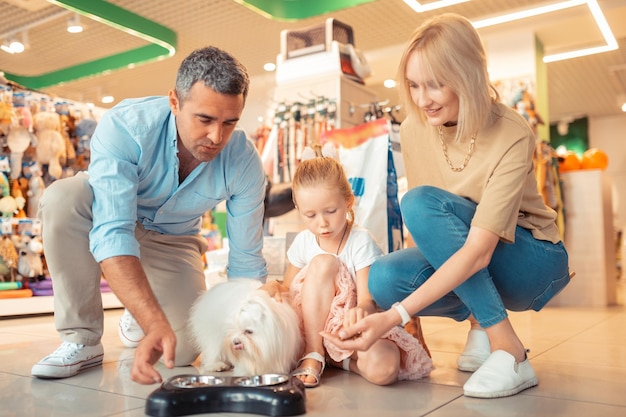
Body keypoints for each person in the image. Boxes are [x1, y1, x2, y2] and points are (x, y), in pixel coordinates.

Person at [322, 13, 571, 399]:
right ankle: (479, 324)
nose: (422, 99)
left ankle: (509, 349)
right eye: (414, 85)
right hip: (477, 254)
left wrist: (396, 315)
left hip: (532, 261)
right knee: (384, 277)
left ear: (467, 75)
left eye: (435, 85)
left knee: (418, 203)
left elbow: (477, 249)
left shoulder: (511, 131)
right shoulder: (415, 128)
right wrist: (390, 311)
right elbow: (438, 237)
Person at [31, 46, 268, 384]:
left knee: (182, 350)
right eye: (205, 120)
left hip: (174, 238)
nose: (217, 137)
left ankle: (136, 311)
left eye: (230, 123)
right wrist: (154, 321)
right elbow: (114, 231)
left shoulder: (243, 159)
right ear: (175, 102)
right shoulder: (126, 125)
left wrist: (257, 328)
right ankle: (81, 338)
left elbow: (245, 263)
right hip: (103, 214)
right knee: (62, 198)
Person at [264, 143, 432, 388]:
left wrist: (359, 311)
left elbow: (366, 300)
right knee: (323, 263)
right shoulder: (303, 243)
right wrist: (273, 287)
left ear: (348, 202)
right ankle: (314, 351)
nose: (322, 223)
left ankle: (337, 361)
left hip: (347, 329)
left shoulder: (360, 241)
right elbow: (288, 289)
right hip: (310, 327)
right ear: (299, 210)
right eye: (310, 215)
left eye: (331, 211)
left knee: (385, 369)